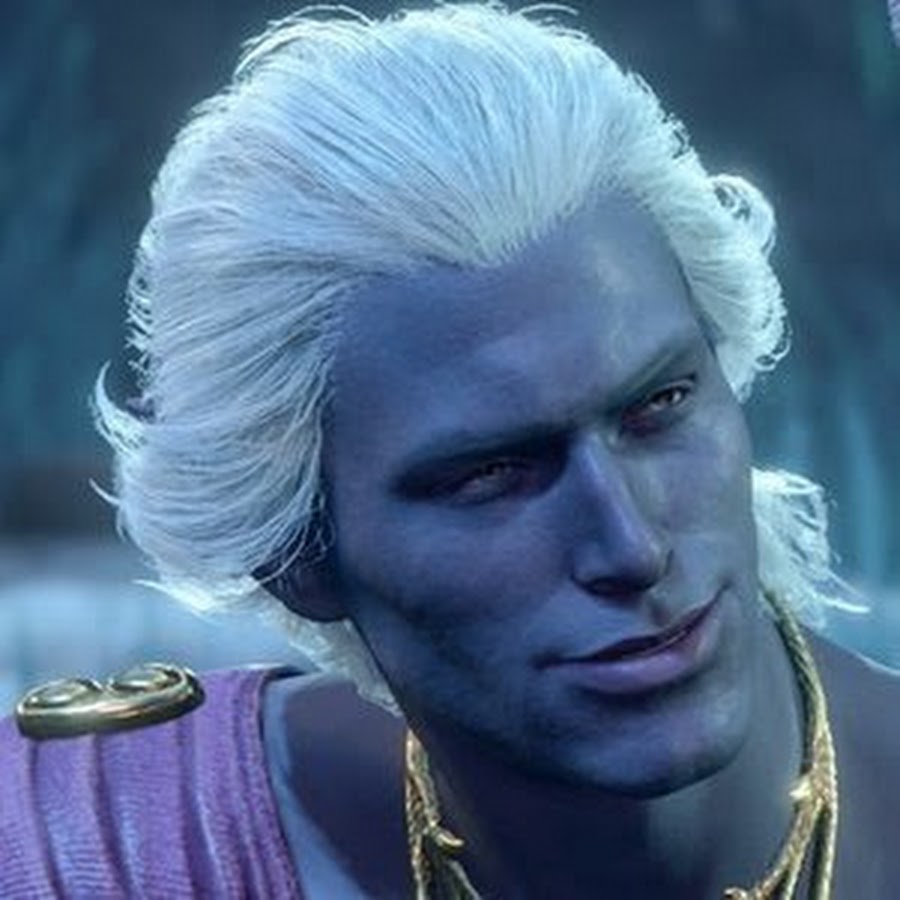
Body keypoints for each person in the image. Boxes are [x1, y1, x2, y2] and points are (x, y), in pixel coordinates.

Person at [2, 4, 897, 898]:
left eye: (659, 406)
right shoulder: (86, 851)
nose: (630, 546)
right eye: (491, 476)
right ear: (298, 556)